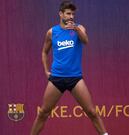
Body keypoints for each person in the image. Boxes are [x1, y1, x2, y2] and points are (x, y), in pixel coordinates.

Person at [30, 1, 108, 135]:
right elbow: (44, 52)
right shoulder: (51, 32)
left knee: (92, 112)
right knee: (43, 112)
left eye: (73, 14)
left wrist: (76, 30)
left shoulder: (79, 28)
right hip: (56, 78)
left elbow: (86, 41)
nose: (71, 16)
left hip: (75, 78)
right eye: (68, 13)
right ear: (61, 14)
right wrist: (46, 71)